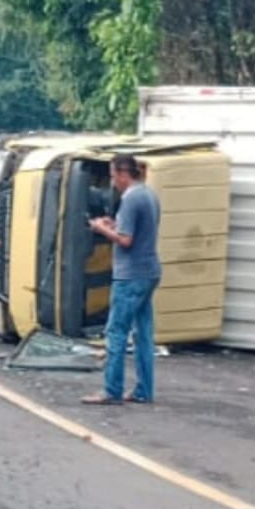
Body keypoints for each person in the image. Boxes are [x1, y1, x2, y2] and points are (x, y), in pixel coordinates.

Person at [83, 154, 162, 405]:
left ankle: (112, 390)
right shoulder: (149, 195)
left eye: (113, 174)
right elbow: (133, 230)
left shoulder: (129, 199)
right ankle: (143, 390)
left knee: (116, 332)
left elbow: (126, 240)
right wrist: (113, 224)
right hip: (149, 271)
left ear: (123, 173)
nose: (112, 180)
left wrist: (100, 228)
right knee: (143, 334)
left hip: (129, 275)